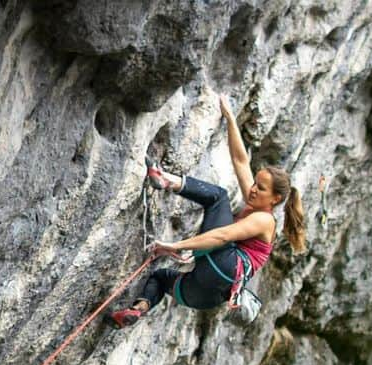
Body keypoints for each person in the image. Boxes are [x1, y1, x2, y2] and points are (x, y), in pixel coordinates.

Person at [111, 96, 306, 327]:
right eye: (255, 183)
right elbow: (240, 161)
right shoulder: (256, 204)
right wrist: (230, 118)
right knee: (160, 278)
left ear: (275, 199)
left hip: (226, 265)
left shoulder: (265, 220)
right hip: (207, 295)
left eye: (260, 188)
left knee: (219, 197)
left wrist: (176, 246)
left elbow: (223, 236)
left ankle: (165, 179)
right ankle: (137, 310)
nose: (252, 189)